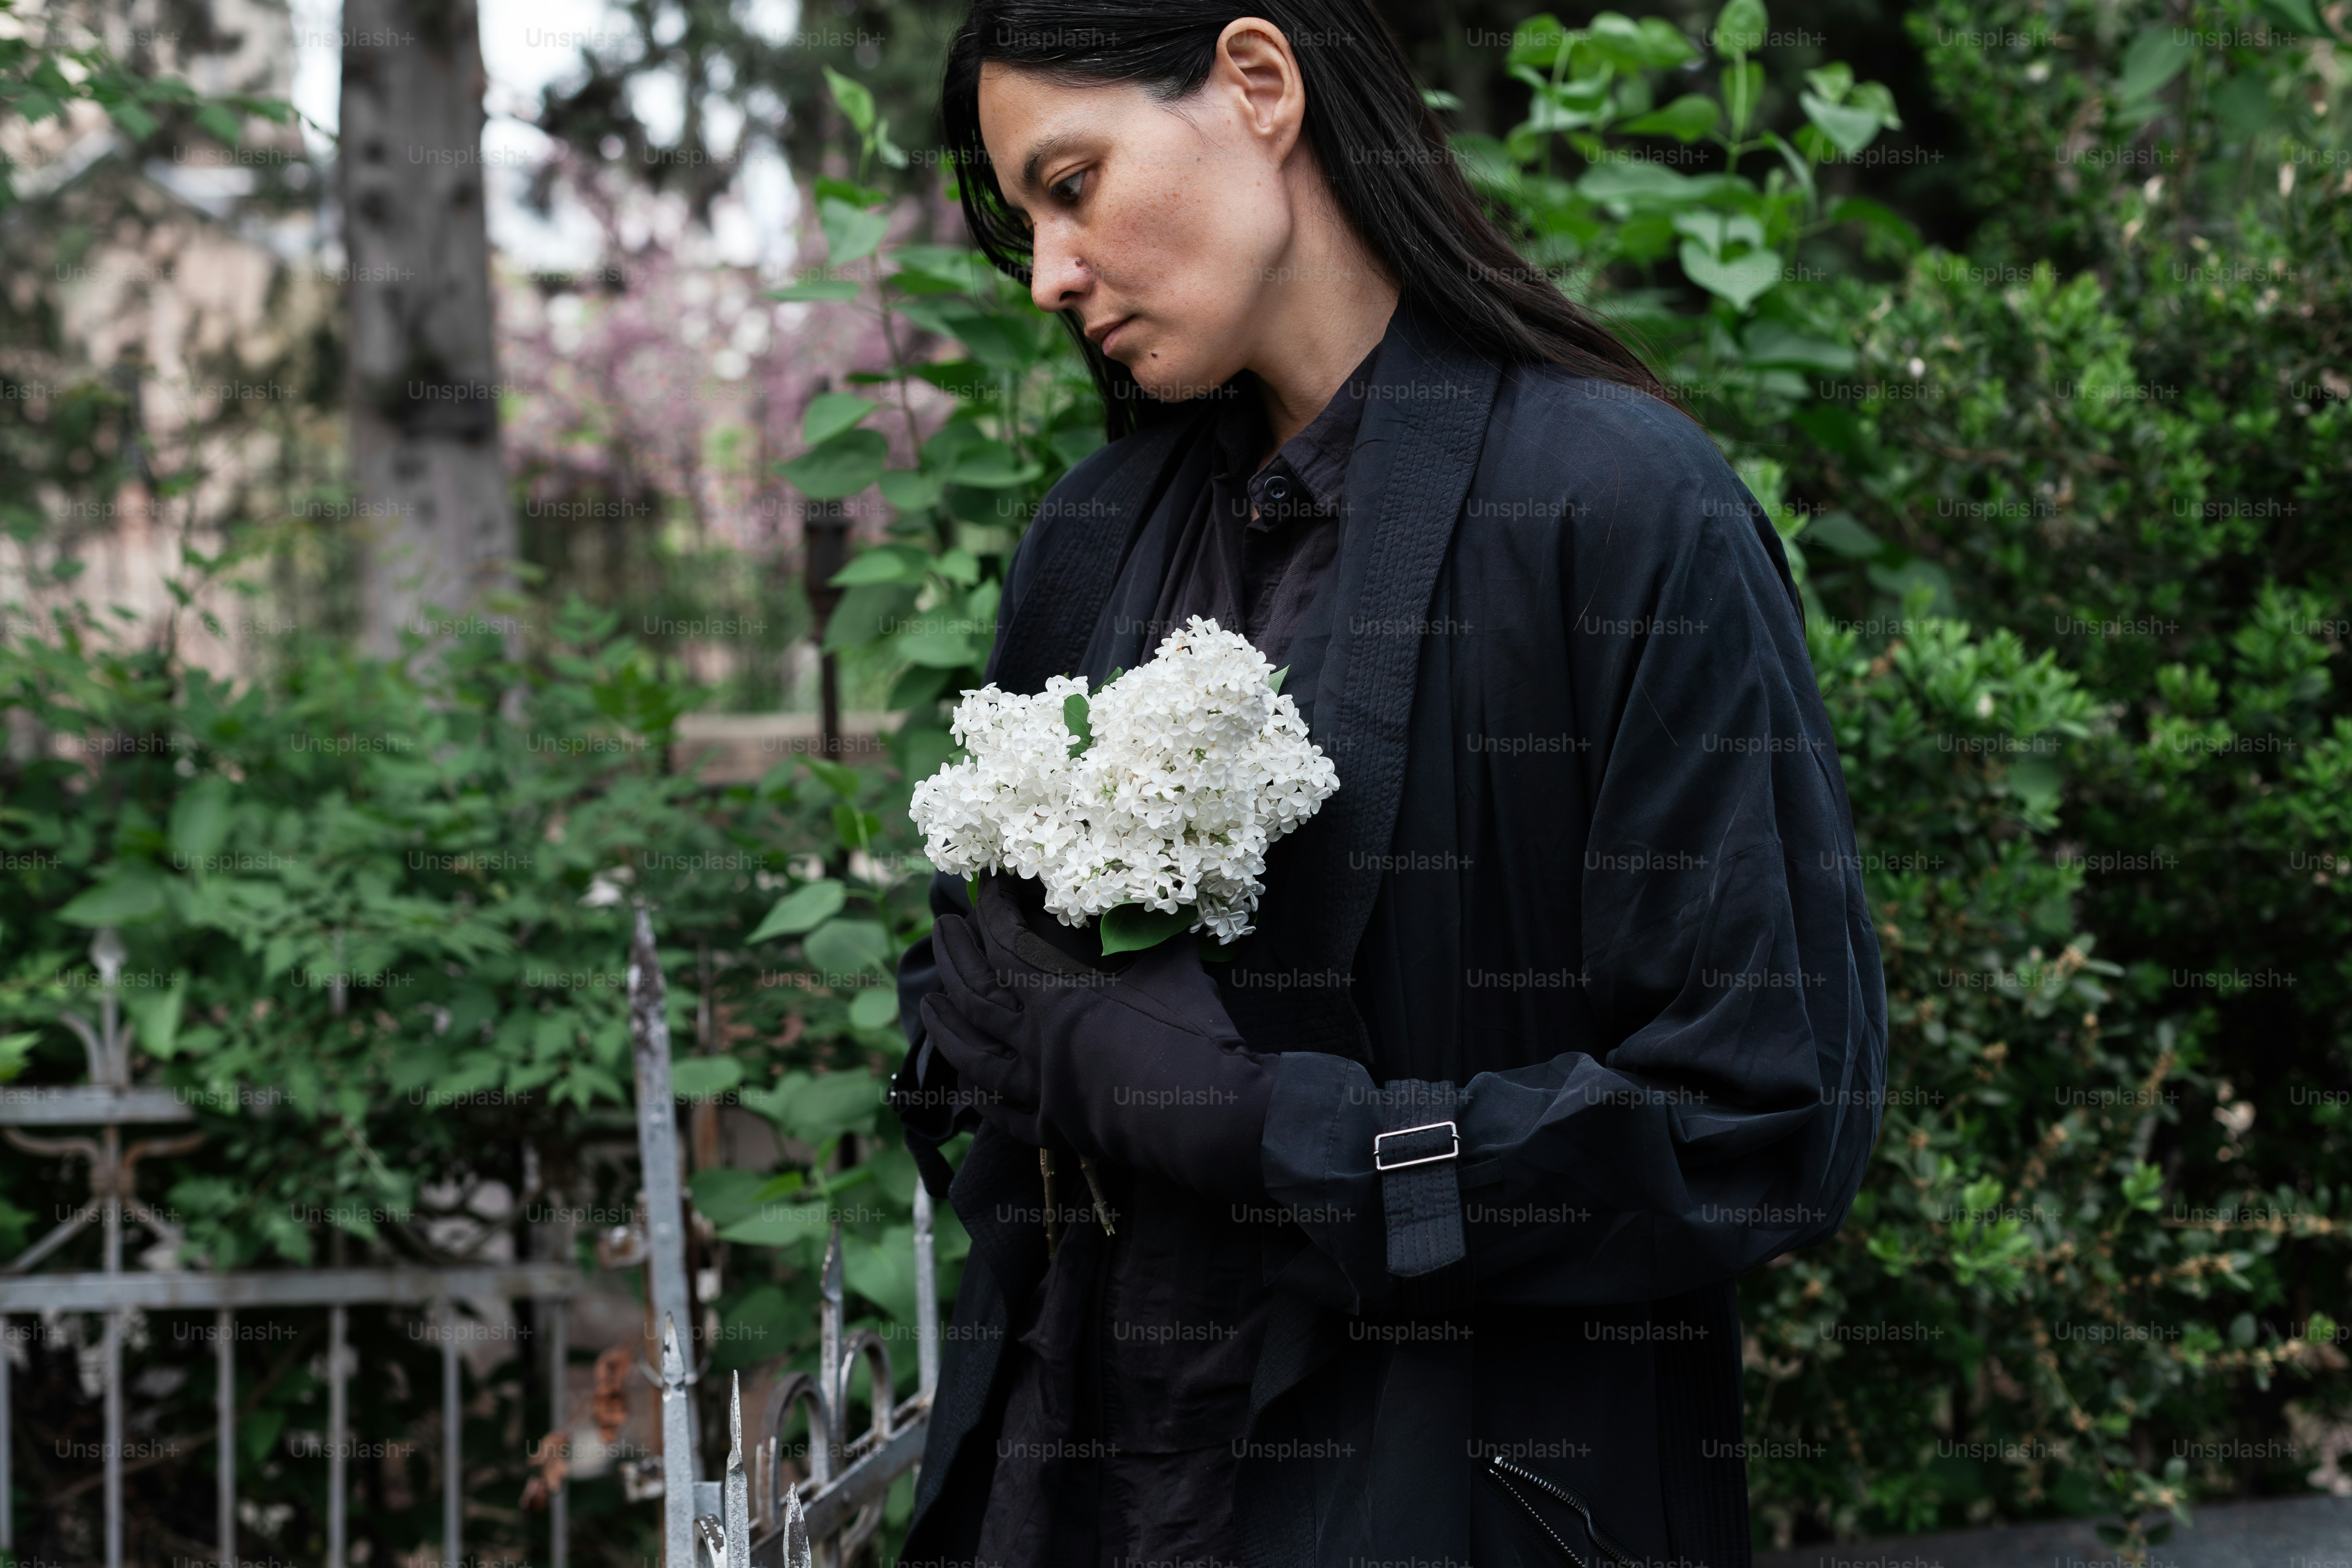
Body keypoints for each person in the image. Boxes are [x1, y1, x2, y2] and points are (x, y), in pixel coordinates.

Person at [890, 2, 1890, 1564]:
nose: (1048, 275)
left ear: (1260, 84)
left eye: (1071, 185)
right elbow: (966, 994)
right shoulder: (1090, 541)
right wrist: (1015, 1012)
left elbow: (1761, 1112)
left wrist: (1277, 1128)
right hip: (1098, 1495)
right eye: (1026, 220)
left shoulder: (1621, 513)